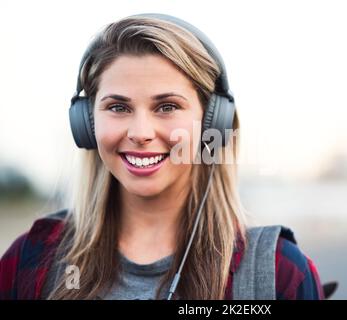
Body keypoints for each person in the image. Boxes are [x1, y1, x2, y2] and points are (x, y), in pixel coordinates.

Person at [0, 13, 324, 300]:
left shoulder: (280, 272)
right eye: (118, 107)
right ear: (87, 123)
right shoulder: (29, 261)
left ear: (214, 122)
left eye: (167, 106)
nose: (141, 132)